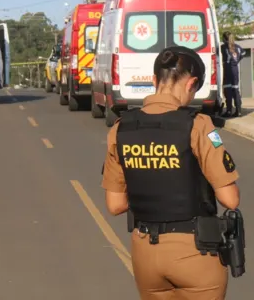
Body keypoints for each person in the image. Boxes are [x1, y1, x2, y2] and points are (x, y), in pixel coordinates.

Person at [101, 46, 241, 300]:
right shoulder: (199, 126)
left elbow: (115, 204)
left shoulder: (121, 129)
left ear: (154, 80)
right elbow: (230, 199)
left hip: (146, 253)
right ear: (192, 83)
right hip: (196, 252)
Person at [220, 32, 244, 118]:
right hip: (235, 69)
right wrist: (236, 61)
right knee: (236, 90)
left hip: (227, 69)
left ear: (224, 39)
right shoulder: (237, 47)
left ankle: (229, 110)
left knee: (228, 91)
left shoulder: (223, 47)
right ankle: (239, 111)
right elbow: (243, 54)